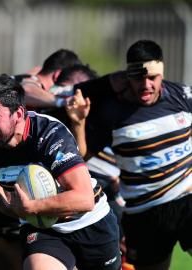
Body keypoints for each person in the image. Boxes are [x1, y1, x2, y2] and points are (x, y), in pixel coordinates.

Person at [0, 74, 121, 270]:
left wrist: (31, 207)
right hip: (45, 231)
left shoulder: (48, 133)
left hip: (90, 225)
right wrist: (1, 200)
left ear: (19, 114)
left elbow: (84, 200)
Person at [68, 39, 192, 270]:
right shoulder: (111, 113)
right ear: (127, 77)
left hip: (187, 199)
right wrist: (79, 123)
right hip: (143, 213)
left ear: (161, 74)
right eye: (138, 78)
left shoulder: (183, 97)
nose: (146, 85)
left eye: (152, 78)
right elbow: (80, 156)